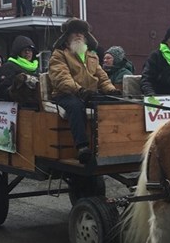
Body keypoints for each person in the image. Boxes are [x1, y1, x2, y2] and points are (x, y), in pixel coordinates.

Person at [49, 18, 121, 164]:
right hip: (65, 94)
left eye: (81, 33)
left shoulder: (92, 55)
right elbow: (61, 78)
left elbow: (102, 78)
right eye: (75, 32)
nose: (78, 35)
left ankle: (112, 143)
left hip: (89, 94)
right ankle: (82, 147)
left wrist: (111, 91)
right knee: (76, 106)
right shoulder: (59, 54)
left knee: (112, 103)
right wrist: (79, 90)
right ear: (67, 36)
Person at [0, 35, 39, 104]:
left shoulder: (35, 67)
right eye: (24, 50)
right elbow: (2, 90)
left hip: (35, 104)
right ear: (18, 52)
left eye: (30, 50)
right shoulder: (9, 66)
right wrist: (14, 88)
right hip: (17, 106)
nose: (27, 53)